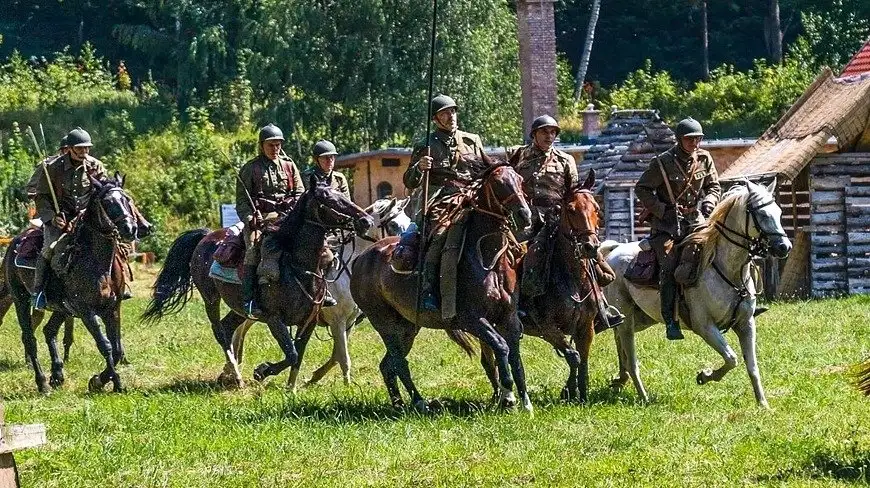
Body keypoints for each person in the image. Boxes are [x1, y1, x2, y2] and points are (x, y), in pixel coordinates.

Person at [510, 115, 623, 331]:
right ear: (534, 134)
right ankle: (514, 308)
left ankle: (600, 307)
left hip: (558, 219)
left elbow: (573, 192)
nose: (549, 136)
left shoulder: (565, 160)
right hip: (527, 220)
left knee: (589, 257)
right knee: (517, 258)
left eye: (553, 132)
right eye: (545, 132)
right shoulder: (519, 157)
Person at [635, 117, 721, 340]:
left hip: (695, 220)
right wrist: (662, 210)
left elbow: (713, 186)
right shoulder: (663, 163)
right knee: (669, 262)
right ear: (679, 139)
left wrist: (709, 202)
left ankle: (728, 306)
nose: (695, 143)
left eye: (698, 139)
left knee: (720, 249)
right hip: (666, 225)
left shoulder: (704, 158)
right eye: (690, 139)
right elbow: (642, 189)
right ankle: (670, 320)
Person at [402, 94, 486, 311]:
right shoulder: (426, 145)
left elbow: (485, 170)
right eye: (444, 113)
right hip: (441, 201)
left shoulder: (472, 140)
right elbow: (409, 181)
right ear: (435, 119)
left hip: (472, 197)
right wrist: (420, 167)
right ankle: (429, 288)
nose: (451, 116)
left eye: (453, 111)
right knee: (439, 236)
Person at [29, 127, 107, 310]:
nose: (83, 152)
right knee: (50, 250)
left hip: (87, 219)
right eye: (79, 148)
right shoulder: (52, 168)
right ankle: (39, 292)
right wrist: (52, 217)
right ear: (70, 148)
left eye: (86, 148)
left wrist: (83, 215)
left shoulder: (96, 167)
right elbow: (41, 196)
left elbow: (103, 193)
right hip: (59, 219)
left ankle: (118, 285)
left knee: (113, 244)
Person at [236, 124, 305, 318]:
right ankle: (249, 300)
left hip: (287, 217)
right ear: (261, 145)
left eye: (278, 145)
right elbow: (242, 201)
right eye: (271, 145)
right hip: (261, 219)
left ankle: (318, 291)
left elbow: (299, 192)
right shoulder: (250, 168)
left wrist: (295, 211)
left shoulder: (290, 165)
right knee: (252, 249)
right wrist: (250, 218)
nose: (275, 149)